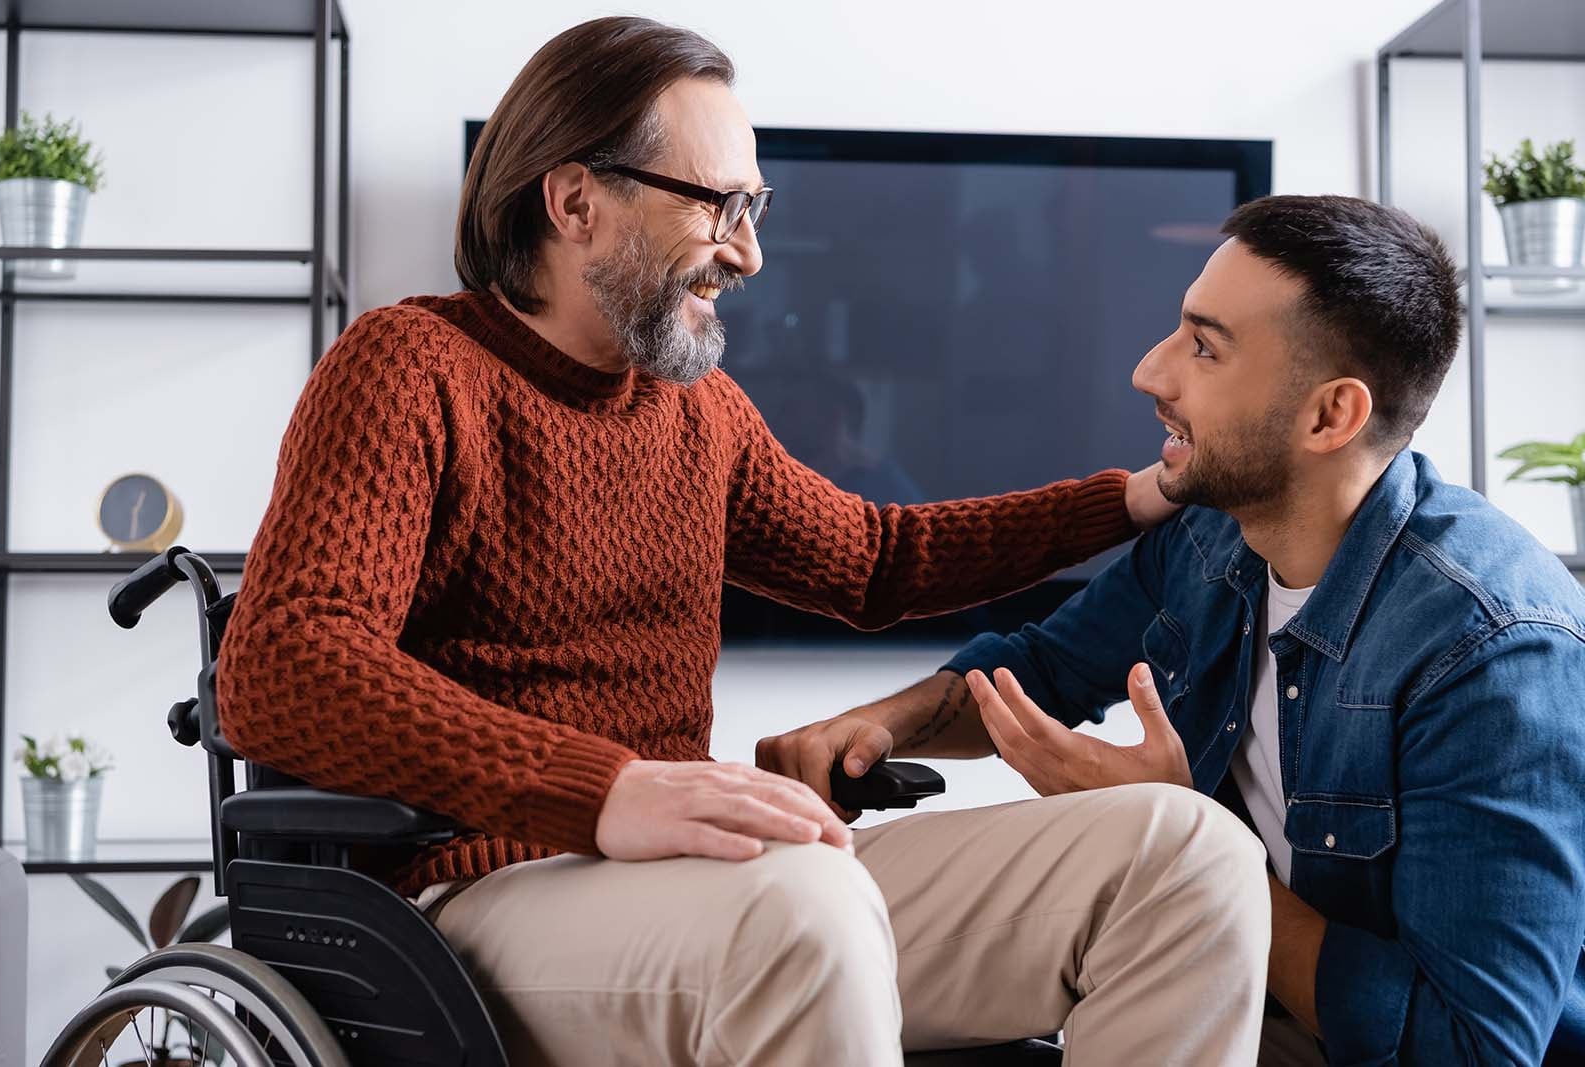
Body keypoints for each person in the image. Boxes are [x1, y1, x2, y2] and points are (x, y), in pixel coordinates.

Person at [217, 15, 1273, 1066]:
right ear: (575, 200)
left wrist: (1136, 496)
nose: (750, 252)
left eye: (754, 207)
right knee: (800, 900)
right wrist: (606, 789)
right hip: (480, 895)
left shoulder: (696, 413)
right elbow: (283, 661)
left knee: (1184, 854)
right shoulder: (410, 367)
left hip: (715, 882)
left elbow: (876, 560)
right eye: (720, 205)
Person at [763, 194, 1585, 1065]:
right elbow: (1040, 666)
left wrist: (1185, 837)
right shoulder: (1211, 533)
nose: (1151, 373)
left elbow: (1473, 1049)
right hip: (1212, 992)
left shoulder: (1493, 652)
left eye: (1204, 346)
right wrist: (876, 727)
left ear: (1330, 416)